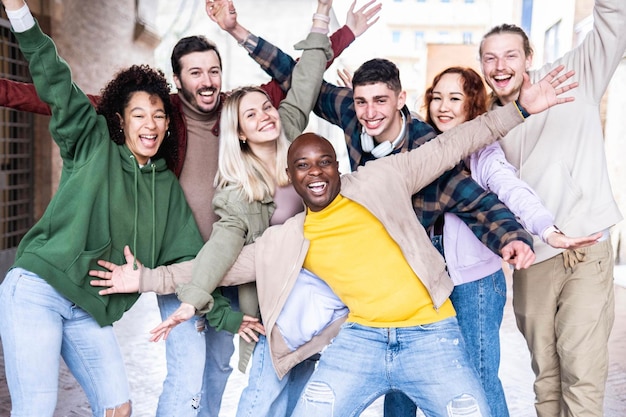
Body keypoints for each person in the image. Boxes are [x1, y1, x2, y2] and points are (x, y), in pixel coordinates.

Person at [0, 1, 380, 415]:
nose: (150, 123)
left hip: (213, 275)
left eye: (213, 70)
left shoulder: (239, 119)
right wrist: (20, 16)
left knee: (192, 380)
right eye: (194, 72)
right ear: (175, 83)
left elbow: (301, 80)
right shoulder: (118, 137)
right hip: (94, 281)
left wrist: (336, 31)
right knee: (180, 371)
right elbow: (55, 88)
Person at [0, 0, 205, 416]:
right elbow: (55, 77)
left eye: (158, 115)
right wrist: (20, 12)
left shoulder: (166, 187)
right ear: (121, 120)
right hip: (38, 290)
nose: (149, 124)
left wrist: (227, 315)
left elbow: (191, 260)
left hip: (87, 311)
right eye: (139, 115)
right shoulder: (92, 141)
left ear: (167, 124)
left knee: (118, 409)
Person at [388, 66, 601, 417]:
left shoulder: (483, 154)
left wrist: (546, 229)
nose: (443, 106)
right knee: (405, 379)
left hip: (474, 287)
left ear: (472, 106)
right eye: (437, 97)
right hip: (420, 281)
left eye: (455, 98)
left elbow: (511, 189)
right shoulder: (417, 149)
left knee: (479, 378)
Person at [477, 2, 626, 415]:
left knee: (582, 370)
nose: (500, 65)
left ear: (529, 58)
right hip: (534, 258)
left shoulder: (572, 75)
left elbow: (614, 21)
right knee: (546, 376)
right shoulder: (489, 122)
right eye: (490, 57)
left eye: (510, 55)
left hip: (586, 247)